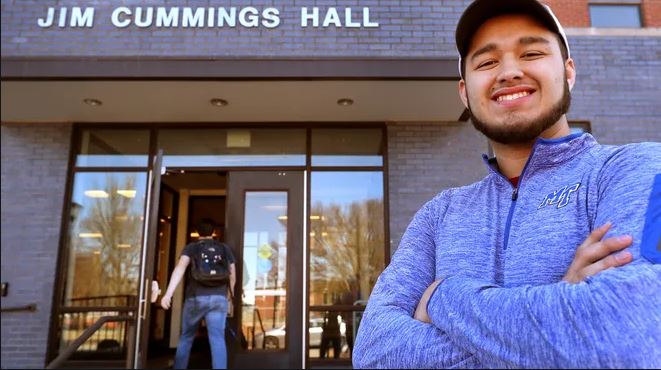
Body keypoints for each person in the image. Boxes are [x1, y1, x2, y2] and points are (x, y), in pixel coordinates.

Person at [353, 0, 661, 368]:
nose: (509, 72)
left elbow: (630, 341)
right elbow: (374, 353)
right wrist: (559, 308)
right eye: (487, 62)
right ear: (466, 93)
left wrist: (441, 297)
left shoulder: (638, 169)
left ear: (568, 72)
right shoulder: (439, 215)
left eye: (531, 52)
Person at [161, 218, 236, 369]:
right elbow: (232, 274)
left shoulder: (192, 247)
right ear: (214, 232)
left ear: (197, 232)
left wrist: (168, 294)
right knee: (218, 340)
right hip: (218, 298)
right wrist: (229, 297)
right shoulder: (224, 248)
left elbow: (180, 268)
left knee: (187, 337)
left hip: (196, 298)